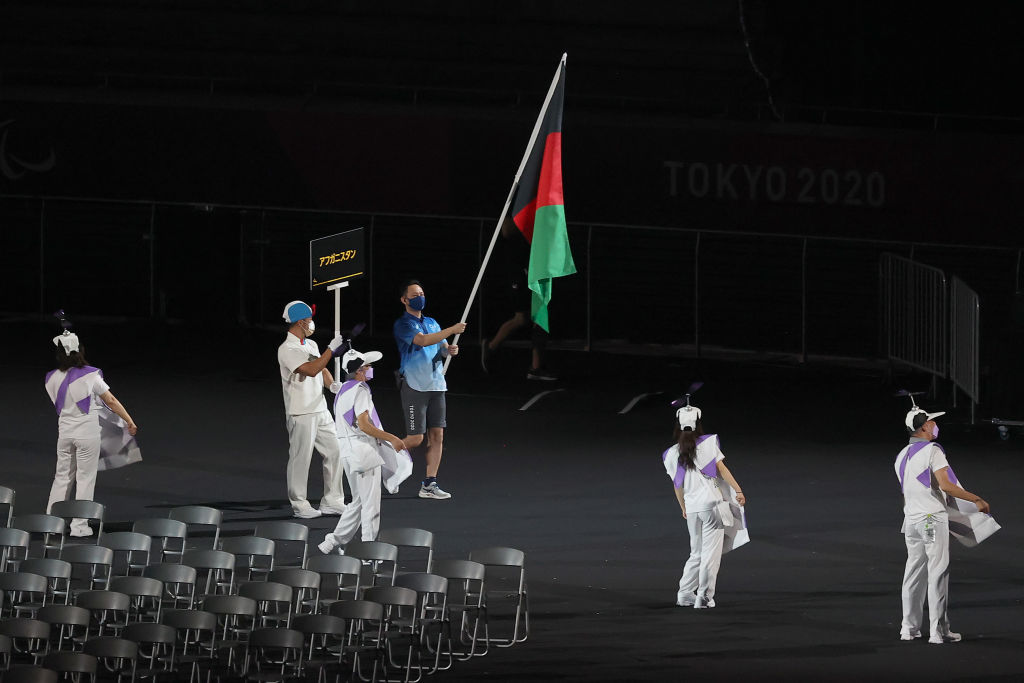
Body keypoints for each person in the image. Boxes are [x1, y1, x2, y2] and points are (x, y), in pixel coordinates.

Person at [895, 404, 990, 644]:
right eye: (933, 422)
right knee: (938, 572)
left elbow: (907, 493)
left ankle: (909, 628)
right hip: (930, 519)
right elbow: (946, 485)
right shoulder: (932, 450)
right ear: (925, 426)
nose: (936, 425)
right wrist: (976, 499)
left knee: (913, 573)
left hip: (912, 520)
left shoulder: (901, 456)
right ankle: (939, 632)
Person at [44, 330, 137, 537]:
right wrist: (129, 420)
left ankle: (51, 523)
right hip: (87, 434)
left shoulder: (51, 378)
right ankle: (79, 526)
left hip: (65, 433)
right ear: (80, 351)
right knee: (85, 478)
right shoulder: (89, 376)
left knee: (62, 477)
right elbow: (110, 400)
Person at [318, 348, 406, 554]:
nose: (370, 368)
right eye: (367, 365)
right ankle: (368, 551)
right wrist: (392, 438)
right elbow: (365, 425)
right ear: (359, 370)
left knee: (358, 501)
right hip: (362, 451)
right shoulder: (361, 390)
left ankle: (333, 541)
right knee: (371, 505)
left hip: (348, 452)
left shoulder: (343, 390)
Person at [662, 403, 745, 609]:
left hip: (692, 508)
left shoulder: (670, 454)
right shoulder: (708, 444)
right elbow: (722, 470)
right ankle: (705, 597)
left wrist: (683, 507)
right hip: (712, 506)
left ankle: (685, 594)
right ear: (699, 424)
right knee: (710, 554)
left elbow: (677, 486)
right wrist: (738, 490)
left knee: (696, 552)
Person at [393, 279, 465, 499]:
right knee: (415, 438)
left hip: (436, 385)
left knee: (437, 436)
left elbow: (439, 348)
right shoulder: (403, 324)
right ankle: (378, 462)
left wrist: (449, 350)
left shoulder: (432, 322)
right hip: (415, 385)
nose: (419, 297)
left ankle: (429, 484)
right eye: (414, 294)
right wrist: (451, 330)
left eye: (422, 293)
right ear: (404, 300)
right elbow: (422, 341)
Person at [277, 300, 347, 519]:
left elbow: (322, 368)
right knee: (301, 458)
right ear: (300, 321)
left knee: (336, 451)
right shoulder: (287, 349)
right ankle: (299, 504)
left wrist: (332, 384)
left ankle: (333, 500)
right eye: (309, 319)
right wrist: (331, 350)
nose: (312, 323)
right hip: (301, 411)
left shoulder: (311, 345)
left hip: (320, 408)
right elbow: (310, 369)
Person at [481, 222, 556, 380]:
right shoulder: (519, 203)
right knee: (522, 318)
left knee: (540, 315)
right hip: (521, 269)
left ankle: (536, 368)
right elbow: (506, 230)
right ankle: (490, 347)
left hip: (538, 265)